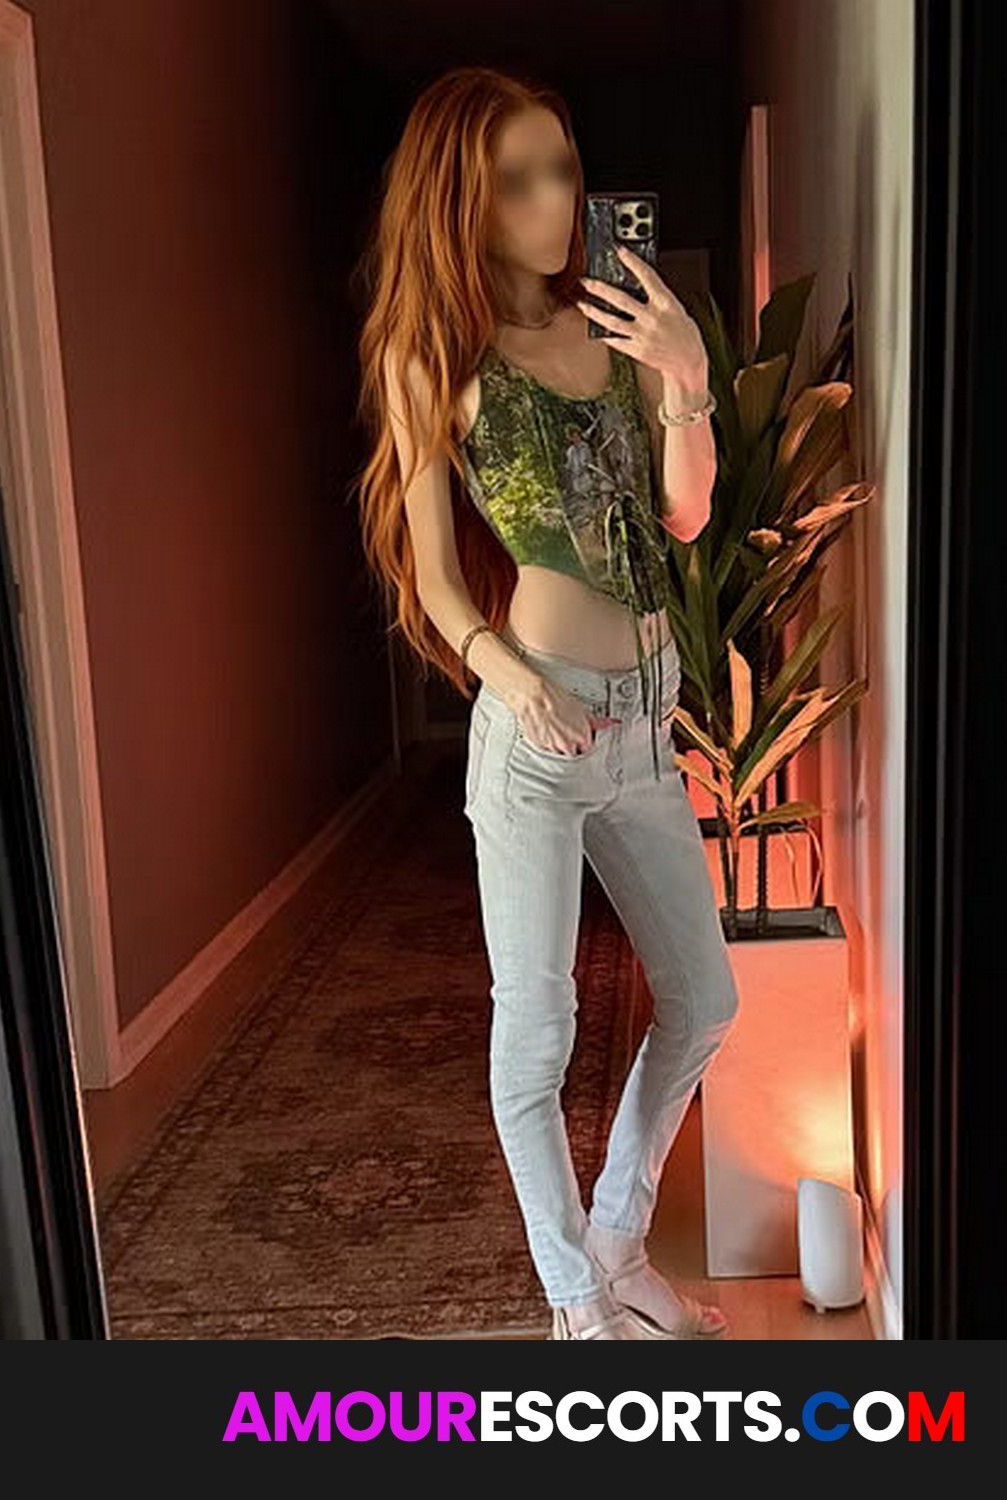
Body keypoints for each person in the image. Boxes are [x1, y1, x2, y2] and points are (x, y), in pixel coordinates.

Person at [353, 65, 739, 1341]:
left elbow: (684, 515)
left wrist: (684, 374)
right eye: (514, 181)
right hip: (536, 730)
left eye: (559, 169)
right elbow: (425, 563)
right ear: (461, 201)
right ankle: (578, 1305)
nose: (550, 202)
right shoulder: (434, 357)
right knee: (538, 1038)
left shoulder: (616, 319)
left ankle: (618, 1244)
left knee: (703, 1000)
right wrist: (499, 668)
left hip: (646, 721)